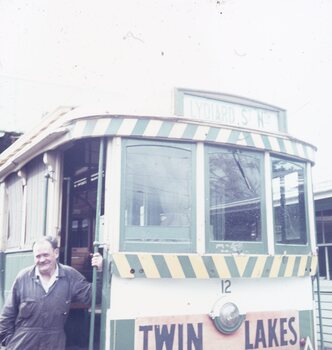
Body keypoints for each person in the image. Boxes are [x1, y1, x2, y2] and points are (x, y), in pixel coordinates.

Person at [0, 236, 103, 350]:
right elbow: (7, 316)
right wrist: (9, 342)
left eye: (46, 255)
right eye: (38, 256)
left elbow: (94, 298)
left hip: (53, 343)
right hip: (22, 343)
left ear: (56, 253)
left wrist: (99, 271)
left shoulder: (70, 276)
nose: (42, 259)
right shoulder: (23, 277)